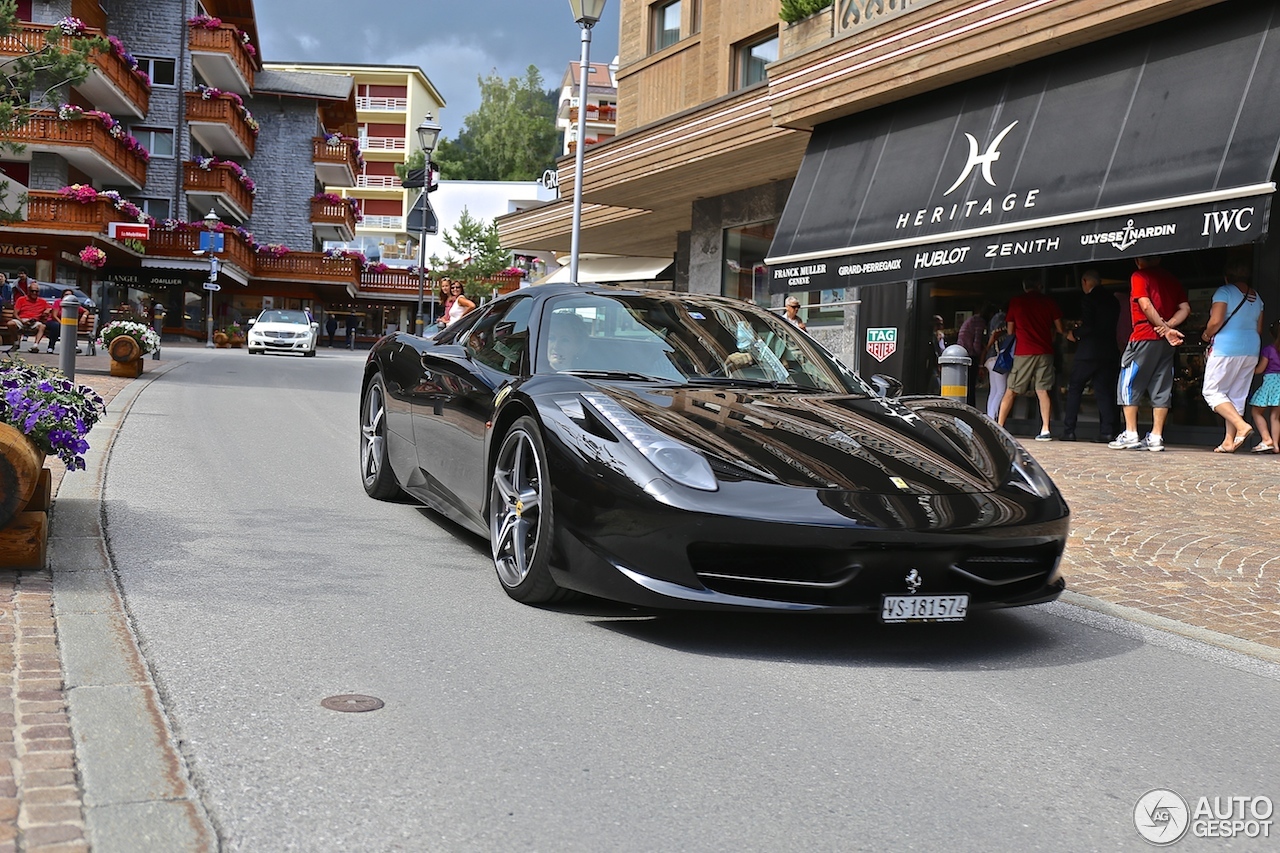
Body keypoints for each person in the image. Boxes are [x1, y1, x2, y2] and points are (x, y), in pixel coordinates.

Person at [1110, 256, 1190, 451]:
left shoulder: (1139, 276)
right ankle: (1156, 436)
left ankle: (1130, 433)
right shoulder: (1171, 279)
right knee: (1162, 386)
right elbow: (1185, 308)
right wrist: (1168, 327)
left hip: (1144, 335)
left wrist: (1162, 327)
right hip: (1165, 342)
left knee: (1128, 382)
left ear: (1138, 260)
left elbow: (1145, 304)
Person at [1199, 261, 1263, 452]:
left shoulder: (1224, 292)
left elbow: (1216, 320)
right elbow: (1259, 329)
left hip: (1227, 348)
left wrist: (1206, 335)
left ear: (1227, 277)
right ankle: (1229, 441)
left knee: (1211, 391)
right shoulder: (1257, 297)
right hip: (1251, 348)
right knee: (1236, 395)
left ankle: (1242, 426)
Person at [998, 279, 1063, 440]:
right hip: (1045, 351)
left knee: (1011, 390)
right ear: (1039, 286)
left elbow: (1011, 330)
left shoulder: (1017, 302)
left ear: (1024, 286)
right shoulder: (1048, 302)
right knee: (1042, 391)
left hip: (1024, 351)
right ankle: (1045, 429)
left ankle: (999, 427)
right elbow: (1060, 327)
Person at [1062, 270, 1121, 442]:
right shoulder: (1112, 300)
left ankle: (1069, 430)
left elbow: (1089, 326)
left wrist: (1075, 333)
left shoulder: (1089, 299)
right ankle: (1108, 431)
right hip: (1109, 350)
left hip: (1089, 351)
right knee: (1104, 392)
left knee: (1075, 388)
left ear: (1085, 281)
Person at [1248, 319, 1280, 454]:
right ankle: (1276, 446)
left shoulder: (1269, 349)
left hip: (1270, 382)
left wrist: (1249, 369)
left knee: (1256, 411)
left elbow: (1260, 369)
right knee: (1275, 417)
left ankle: (1266, 439)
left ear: (1272, 334)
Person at [957, 303, 996, 407]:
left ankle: (966, 406)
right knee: (971, 386)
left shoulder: (973, 319)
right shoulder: (980, 322)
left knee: (965, 384)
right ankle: (970, 407)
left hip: (962, 352)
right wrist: (981, 356)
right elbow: (976, 342)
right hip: (970, 354)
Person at [981, 303, 1008, 420]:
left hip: (991, 358)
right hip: (998, 356)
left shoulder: (995, 318)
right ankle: (993, 418)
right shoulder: (1002, 317)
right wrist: (988, 347)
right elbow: (996, 333)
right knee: (1001, 390)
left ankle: (990, 416)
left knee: (994, 390)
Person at [46, 288, 90, 354]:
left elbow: (86, 311)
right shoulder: (58, 302)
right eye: (66, 294)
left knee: (71, 326)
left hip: (67, 323)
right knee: (56, 326)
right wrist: (62, 324)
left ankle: (75, 347)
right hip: (55, 322)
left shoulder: (73, 304)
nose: (67, 296)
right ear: (62, 296)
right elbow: (54, 316)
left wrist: (84, 317)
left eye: (70, 295)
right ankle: (51, 347)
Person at [14, 282, 53, 353]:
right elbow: (15, 314)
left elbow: (50, 308)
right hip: (22, 320)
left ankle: (35, 346)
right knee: (11, 324)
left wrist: (48, 310)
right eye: (32, 291)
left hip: (34, 321)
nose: (34, 293)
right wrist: (22, 320)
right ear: (28, 291)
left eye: (36, 291)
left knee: (42, 326)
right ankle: (16, 342)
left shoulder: (42, 301)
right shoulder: (21, 299)